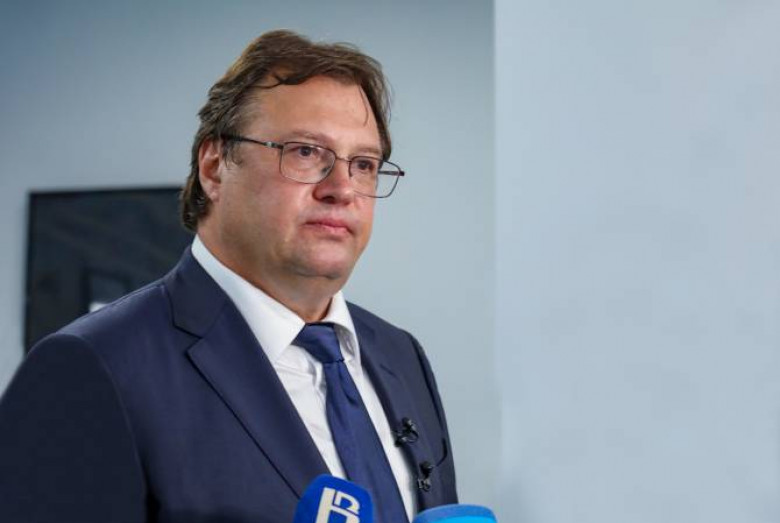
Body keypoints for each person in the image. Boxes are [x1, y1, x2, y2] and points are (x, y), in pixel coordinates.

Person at [0, 30, 457, 523]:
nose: (342, 189)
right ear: (215, 167)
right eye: (306, 152)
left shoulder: (400, 356)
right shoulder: (89, 368)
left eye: (363, 164)